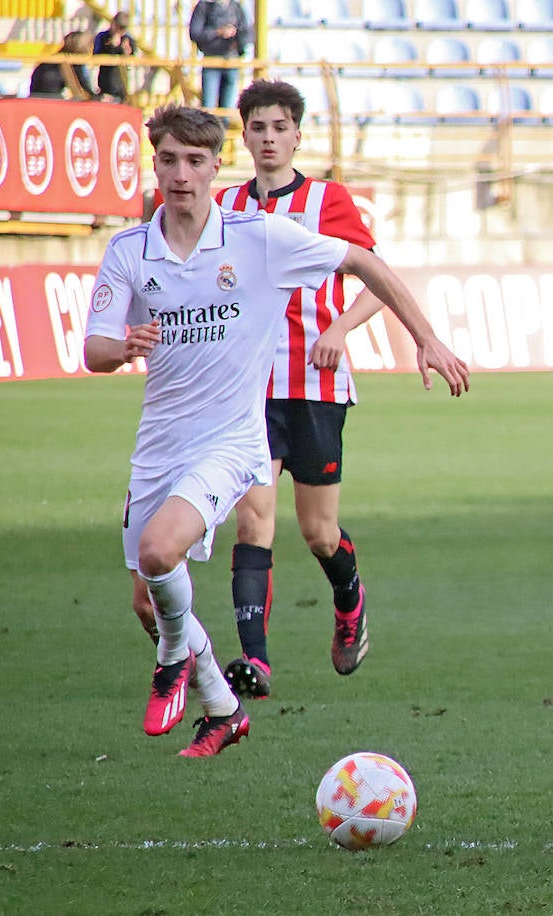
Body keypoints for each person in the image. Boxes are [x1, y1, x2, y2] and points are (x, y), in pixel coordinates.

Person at [84, 105, 469, 757]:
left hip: (238, 436)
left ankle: (189, 659)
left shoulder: (259, 236)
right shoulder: (130, 250)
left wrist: (424, 337)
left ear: (214, 167)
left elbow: (365, 262)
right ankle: (224, 707)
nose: (181, 174)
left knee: (170, 552)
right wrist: (122, 348)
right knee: (149, 602)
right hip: (161, 446)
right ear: (155, 164)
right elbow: (92, 350)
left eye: (195, 161)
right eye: (169, 160)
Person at [211, 78, 388, 699]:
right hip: (248, 394)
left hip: (314, 388)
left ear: (296, 136)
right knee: (252, 523)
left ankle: (348, 594)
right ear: (245, 135)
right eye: (257, 128)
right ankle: (254, 661)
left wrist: (339, 326)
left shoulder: (328, 202)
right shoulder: (225, 205)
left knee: (318, 532)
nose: (268, 138)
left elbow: (378, 279)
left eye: (279, 127)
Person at [189, 0, 249, 113]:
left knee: (228, 108)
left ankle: (224, 128)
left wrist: (238, 40)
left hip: (232, 61)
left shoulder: (236, 7)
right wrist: (218, 32)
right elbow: (194, 33)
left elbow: (246, 32)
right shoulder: (204, 6)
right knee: (208, 108)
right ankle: (209, 129)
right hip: (211, 60)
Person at [28, 31, 98, 100]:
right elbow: (81, 85)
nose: (91, 48)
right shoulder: (72, 61)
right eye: (90, 45)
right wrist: (96, 97)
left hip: (37, 95)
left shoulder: (53, 59)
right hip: (50, 97)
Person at [94, 11, 135, 103]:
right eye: (117, 27)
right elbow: (96, 57)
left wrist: (126, 52)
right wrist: (111, 47)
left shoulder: (128, 40)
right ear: (113, 23)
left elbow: (131, 63)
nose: (119, 31)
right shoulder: (102, 37)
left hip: (122, 86)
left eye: (122, 29)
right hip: (105, 85)